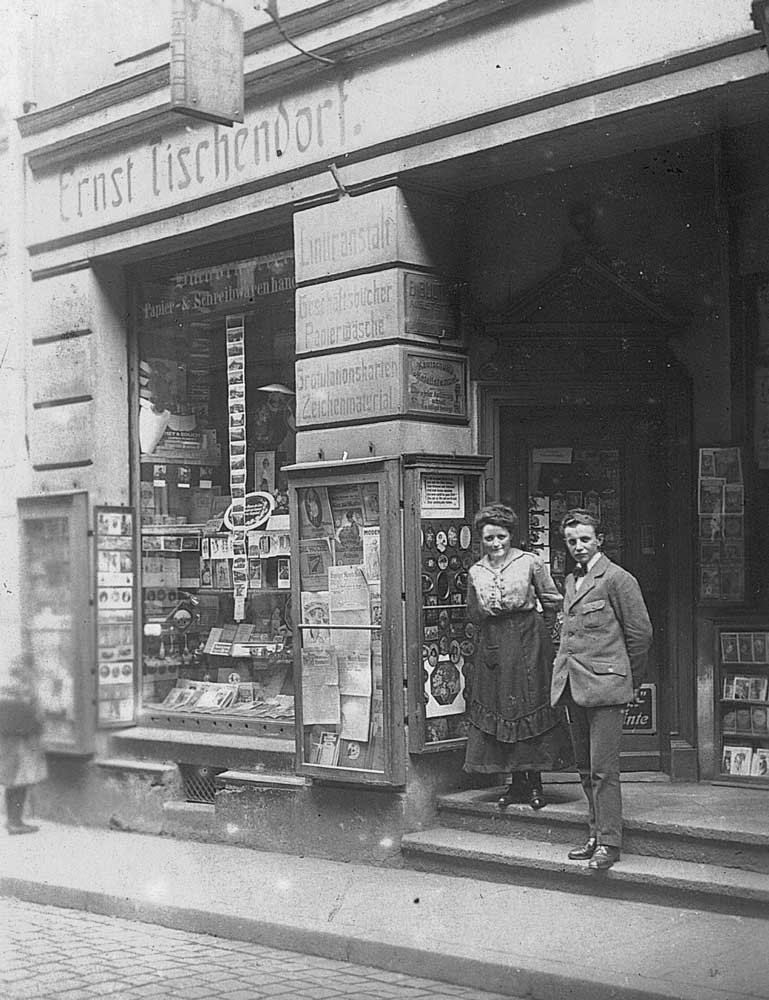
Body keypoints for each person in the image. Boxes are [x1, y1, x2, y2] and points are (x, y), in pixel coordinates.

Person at [551, 509, 653, 870]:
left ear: (599, 540)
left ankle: (609, 844)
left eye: (584, 539)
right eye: (571, 540)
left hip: (608, 688)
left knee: (603, 770)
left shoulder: (618, 579)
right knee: (583, 767)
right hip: (574, 685)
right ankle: (594, 834)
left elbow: (640, 635)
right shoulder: (570, 582)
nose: (578, 546)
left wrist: (627, 681)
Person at [463, 503, 574, 810]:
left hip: (529, 640)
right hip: (494, 644)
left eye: (501, 536)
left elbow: (552, 601)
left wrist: (543, 639)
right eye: (489, 539)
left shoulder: (530, 563)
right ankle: (515, 785)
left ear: (510, 535)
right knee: (501, 709)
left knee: (530, 707)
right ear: (481, 540)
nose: (496, 544)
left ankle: (535, 783)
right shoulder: (476, 571)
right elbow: (473, 612)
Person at [0, 652, 47, 835]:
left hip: (6, 738)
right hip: (23, 740)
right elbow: (36, 713)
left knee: (12, 780)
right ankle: (15, 822)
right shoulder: (27, 684)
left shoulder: (6, 682)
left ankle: (11, 820)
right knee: (21, 780)